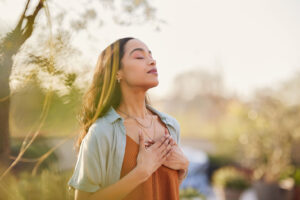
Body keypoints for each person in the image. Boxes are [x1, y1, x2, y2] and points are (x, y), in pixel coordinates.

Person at [67, 37, 189, 200]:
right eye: (139, 57)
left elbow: (166, 189)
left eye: (151, 56)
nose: (152, 61)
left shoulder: (171, 126)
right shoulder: (102, 132)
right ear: (118, 73)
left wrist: (184, 167)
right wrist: (141, 173)